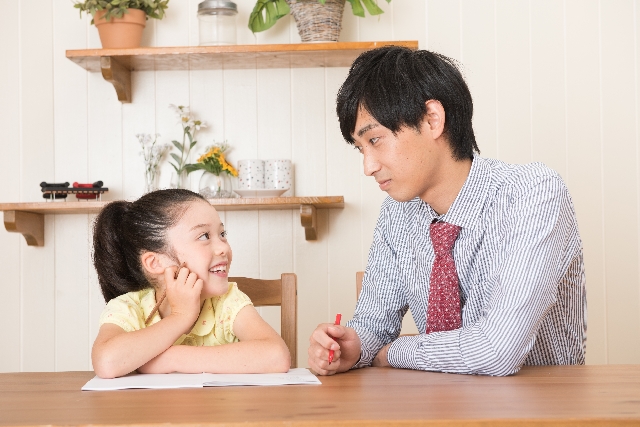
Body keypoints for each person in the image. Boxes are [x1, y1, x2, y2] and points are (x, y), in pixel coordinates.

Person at [308, 46, 586, 377]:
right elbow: (372, 324)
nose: (367, 166)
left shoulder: (532, 193)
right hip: (439, 405)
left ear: (432, 120)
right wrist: (352, 346)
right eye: (360, 148)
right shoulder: (396, 213)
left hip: (544, 408)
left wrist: (394, 352)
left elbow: (498, 350)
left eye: (376, 140)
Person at [91, 189, 290, 379]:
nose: (223, 247)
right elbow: (106, 362)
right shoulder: (128, 308)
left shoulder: (227, 301)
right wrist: (181, 317)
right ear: (156, 263)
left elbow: (276, 356)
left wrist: (172, 359)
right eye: (204, 236)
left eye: (222, 234)